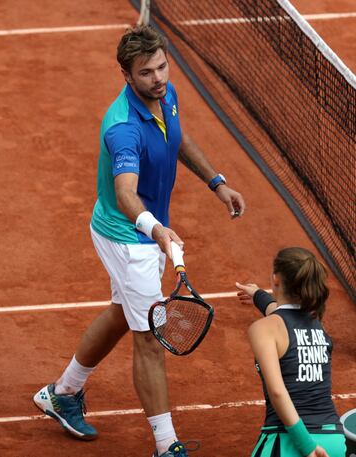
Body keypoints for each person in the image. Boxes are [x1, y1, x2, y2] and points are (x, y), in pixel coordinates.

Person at [33, 25, 245, 457]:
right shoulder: (123, 129)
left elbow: (177, 136)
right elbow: (127, 194)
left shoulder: (165, 94)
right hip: (130, 238)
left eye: (162, 67)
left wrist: (216, 181)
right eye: (146, 72)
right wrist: (156, 230)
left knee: (122, 312)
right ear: (126, 75)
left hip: (142, 232)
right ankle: (167, 446)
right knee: (149, 336)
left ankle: (63, 393)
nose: (159, 77)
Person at [236, 247, 346, 457]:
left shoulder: (263, 328)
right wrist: (258, 295)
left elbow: (277, 392)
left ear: (276, 279)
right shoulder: (318, 325)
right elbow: (284, 316)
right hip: (334, 441)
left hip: (288, 441)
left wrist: (307, 447)